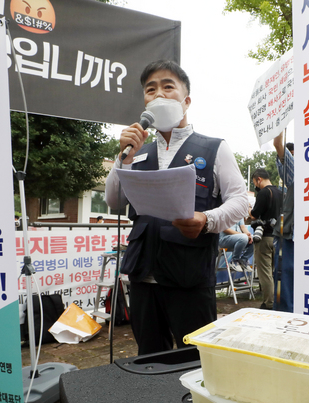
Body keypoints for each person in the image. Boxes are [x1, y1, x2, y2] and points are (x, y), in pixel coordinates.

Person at [104, 60, 248, 355]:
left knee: (194, 360)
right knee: (150, 357)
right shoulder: (137, 151)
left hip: (190, 276)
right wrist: (123, 159)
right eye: (150, 90)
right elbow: (114, 202)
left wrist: (207, 219)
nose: (159, 95)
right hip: (143, 275)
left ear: (186, 100)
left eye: (168, 87)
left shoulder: (213, 148)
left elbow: (241, 200)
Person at [250, 168, 281, 310]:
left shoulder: (263, 193)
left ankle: (269, 304)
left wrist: (250, 210)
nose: (255, 186)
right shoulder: (281, 192)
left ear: (259, 179)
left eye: (254, 183)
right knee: (276, 272)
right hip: (278, 238)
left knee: (265, 273)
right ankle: (278, 301)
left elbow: (255, 215)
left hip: (264, 237)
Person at [272, 131, 295, 312]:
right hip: (288, 238)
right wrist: (279, 123)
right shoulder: (298, 173)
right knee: (284, 287)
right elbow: (279, 145)